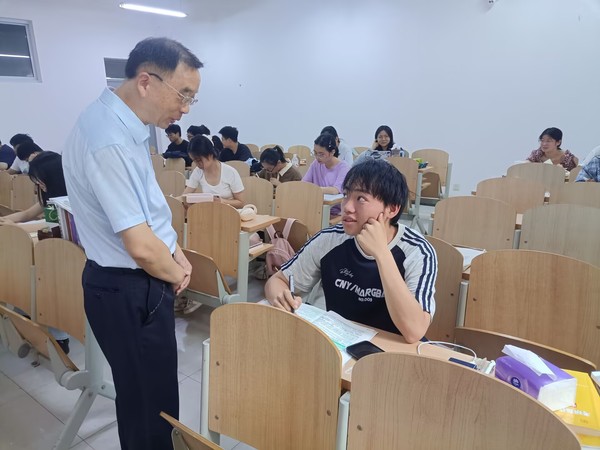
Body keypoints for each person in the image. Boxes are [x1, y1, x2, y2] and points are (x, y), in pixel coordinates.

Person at [62, 37, 201, 450]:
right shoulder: (110, 140)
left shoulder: (121, 125)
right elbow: (140, 247)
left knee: (143, 397)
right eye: (184, 94)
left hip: (129, 282)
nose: (186, 109)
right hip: (130, 287)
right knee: (151, 408)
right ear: (146, 81)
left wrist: (175, 251)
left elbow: (147, 209)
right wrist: (175, 273)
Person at [265, 159, 437, 343]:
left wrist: (381, 253)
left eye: (361, 199)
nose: (347, 207)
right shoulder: (329, 239)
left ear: (392, 208)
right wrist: (282, 298)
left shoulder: (417, 251)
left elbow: (414, 331)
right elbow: (277, 281)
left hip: (394, 349)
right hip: (342, 343)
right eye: (346, 195)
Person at [0, 151, 72, 352]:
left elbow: (52, 224)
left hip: (68, 254)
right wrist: (6, 220)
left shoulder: (72, 197)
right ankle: (25, 312)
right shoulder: (48, 195)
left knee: (46, 279)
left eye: (39, 181)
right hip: (52, 247)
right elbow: (27, 214)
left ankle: (60, 337)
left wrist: (17, 227)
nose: (38, 186)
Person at [182, 135, 245, 208]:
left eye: (199, 160)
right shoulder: (198, 171)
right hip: (209, 212)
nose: (197, 164)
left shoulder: (230, 172)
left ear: (210, 155)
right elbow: (184, 196)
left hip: (228, 212)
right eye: (194, 161)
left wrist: (221, 201)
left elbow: (241, 202)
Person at [302, 133, 351, 215]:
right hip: (316, 207)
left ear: (332, 152)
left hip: (335, 211)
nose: (317, 157)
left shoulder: (343, 167)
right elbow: (304, 183)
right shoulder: (316, 164)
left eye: (321, 154)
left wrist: (314, 189)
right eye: (315, 153)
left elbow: (335, 190)